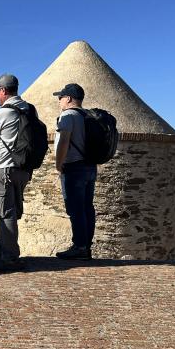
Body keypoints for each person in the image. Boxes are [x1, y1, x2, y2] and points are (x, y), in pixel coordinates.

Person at [0, 74, 34, 273]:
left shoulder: (0, 114)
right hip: (23, 169)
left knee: (6, 214)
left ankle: (9, 258)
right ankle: (1, 248)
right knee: (13, 212)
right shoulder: (29, 109)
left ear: (3, 90)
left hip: (4, 168)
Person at [53, 83, 96, 260]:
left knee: (75, 209)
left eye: (61, 97)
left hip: (74, 167)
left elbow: (64, 141)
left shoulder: (68, 116)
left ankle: (79, 247)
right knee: (87, 208)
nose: (59, 101)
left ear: (69, 98)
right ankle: (85, 246)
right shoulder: (89, 116)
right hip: (90, 166)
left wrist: (58, 163)